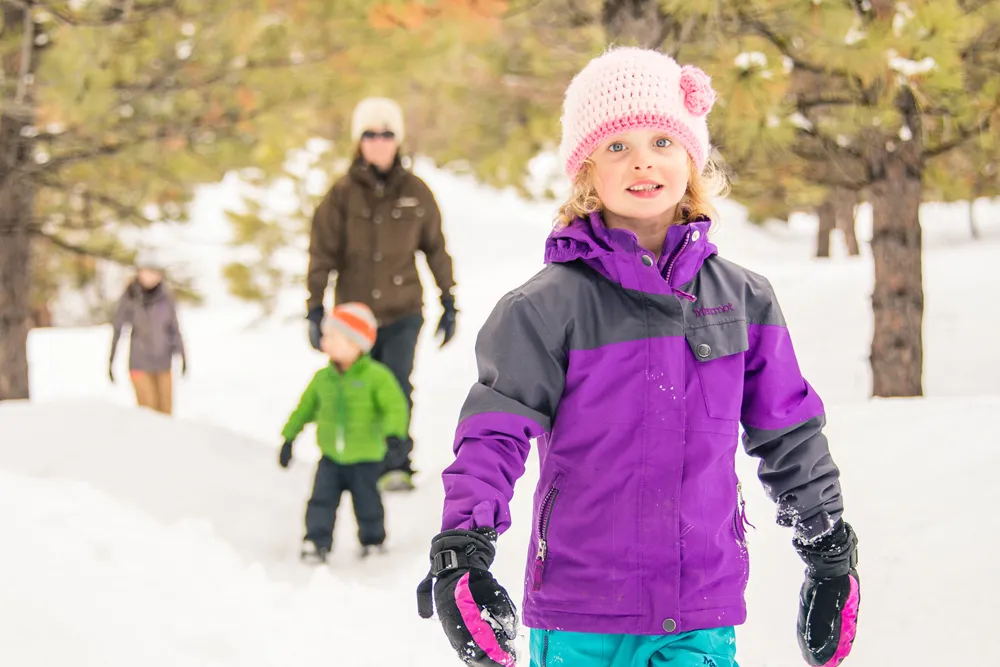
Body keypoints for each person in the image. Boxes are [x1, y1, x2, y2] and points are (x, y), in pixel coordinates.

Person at [416, 47, 860, 667]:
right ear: (586, 171)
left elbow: (788, 432)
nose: (642, 160)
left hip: (699, 608)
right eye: (617, 147)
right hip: (580, 612)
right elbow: (494, 433)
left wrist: (829, 548)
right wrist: (464, 547)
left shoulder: (744, 301)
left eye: (661, 140)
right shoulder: (544, 308)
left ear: (691, 158)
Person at [305, 96, 457, 493]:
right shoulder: (341, 195)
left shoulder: (416, 192)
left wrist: (448, 300)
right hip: (355, 318)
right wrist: (314, 308)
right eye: (370, 134)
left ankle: (396, 463)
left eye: (386, 133)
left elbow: (436, 248)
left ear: (397, 140)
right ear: (359, 141)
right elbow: (322, 254)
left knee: (397, 386)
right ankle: (361, 461)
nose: (378, 141)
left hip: (404, 309)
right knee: (356, 388)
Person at [279, 302, 410, 563]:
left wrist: (395, 435)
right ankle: (316, 542)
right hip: (330, 458)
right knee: (320, 502)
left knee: (368, 503)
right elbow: (304, 409)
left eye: (331, 336)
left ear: (354, 342)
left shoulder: (377, 377)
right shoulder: (322, 378)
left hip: (366, 457)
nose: (324, 341)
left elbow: (395, 407)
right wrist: (289, 437)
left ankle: (373, 541)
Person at [109, 252, 187, 415]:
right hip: (140, 364)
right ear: (139, 272)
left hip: (163, 362)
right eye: (148, 271)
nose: (152, 276)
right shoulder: (130, 297)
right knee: (148, 412)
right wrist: (111, 360)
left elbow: (174, 328)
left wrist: (183, 354)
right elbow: (117, 329)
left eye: (155, 272)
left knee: (166, 412)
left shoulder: (166, 297)